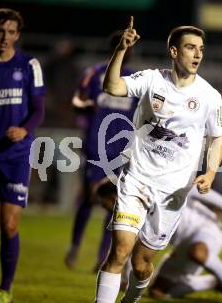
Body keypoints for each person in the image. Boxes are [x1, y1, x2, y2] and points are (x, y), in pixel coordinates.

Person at [94, 17, 222, 303]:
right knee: (119, 251)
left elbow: (217, 138)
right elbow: (113, 87)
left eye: (201, 49)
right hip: (137, 180)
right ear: (175, 52)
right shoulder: (152, 79)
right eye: (190, 47)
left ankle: (131, 299)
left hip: (172, 193)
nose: (197, 54)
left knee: (141, 265)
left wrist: (211, 172)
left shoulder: (209, 96)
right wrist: (121, 49)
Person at [0, 8, 45, 303]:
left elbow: (38, 109)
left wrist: (25, 130)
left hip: (15, 156)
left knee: (9, 224)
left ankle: (5, 289)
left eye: (11, 32)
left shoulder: (29, 64)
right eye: (0, 31)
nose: (5, 37)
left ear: (18, 34)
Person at [96, 180, 222, 302]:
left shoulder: (152, 188)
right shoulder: (131, 212)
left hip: (206, 229)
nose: (105, 208)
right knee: (157, 292)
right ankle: (211, 282)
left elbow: (192, 189)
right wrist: (126, 280)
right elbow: (131, 246)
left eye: (105, 203)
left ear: (114, 197)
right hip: (182, 245)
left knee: (197, 252)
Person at [64, 32, 138, 272]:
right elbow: (77, 100)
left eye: (130, 48)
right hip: (97, 146)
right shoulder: (94, 73)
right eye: (123, 46)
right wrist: (86, 105)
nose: (128, 51)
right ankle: (75, 246)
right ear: (113, 49)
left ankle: (102, 257)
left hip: (122, 152)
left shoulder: (135, 80)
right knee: (89, 198)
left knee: (114, 205)